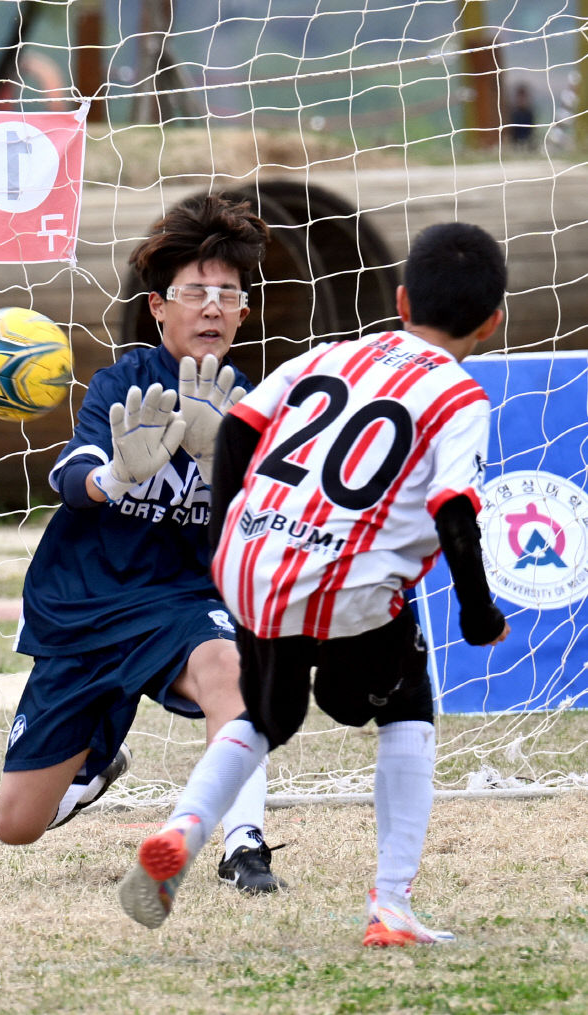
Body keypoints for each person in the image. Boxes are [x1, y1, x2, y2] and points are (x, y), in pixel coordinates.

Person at [119, 221, 511, 941]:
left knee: (267, 718)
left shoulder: (332, 353)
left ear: (399, 300)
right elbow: (455, 508)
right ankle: (391, 904)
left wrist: (223, 541)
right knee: (408, 709)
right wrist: (479, 611)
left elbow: (236, 429)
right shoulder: (460, 397)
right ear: (493, 322)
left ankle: (182, 833)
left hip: (250, 565)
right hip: (346, 584)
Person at [0, 193, 287, 894]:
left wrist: (232, 462)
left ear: (244, 313)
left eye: (228, 295)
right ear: (159, 307)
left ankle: (243, 845)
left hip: (180, 602)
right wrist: (120, 474)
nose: (212, 307)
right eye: (195, 292)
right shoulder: (122, 383)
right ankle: (95, 763)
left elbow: (270, 518)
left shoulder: (253, 402)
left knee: (230, 667)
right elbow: (69, 476)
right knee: (15, 824)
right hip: (86, 605)